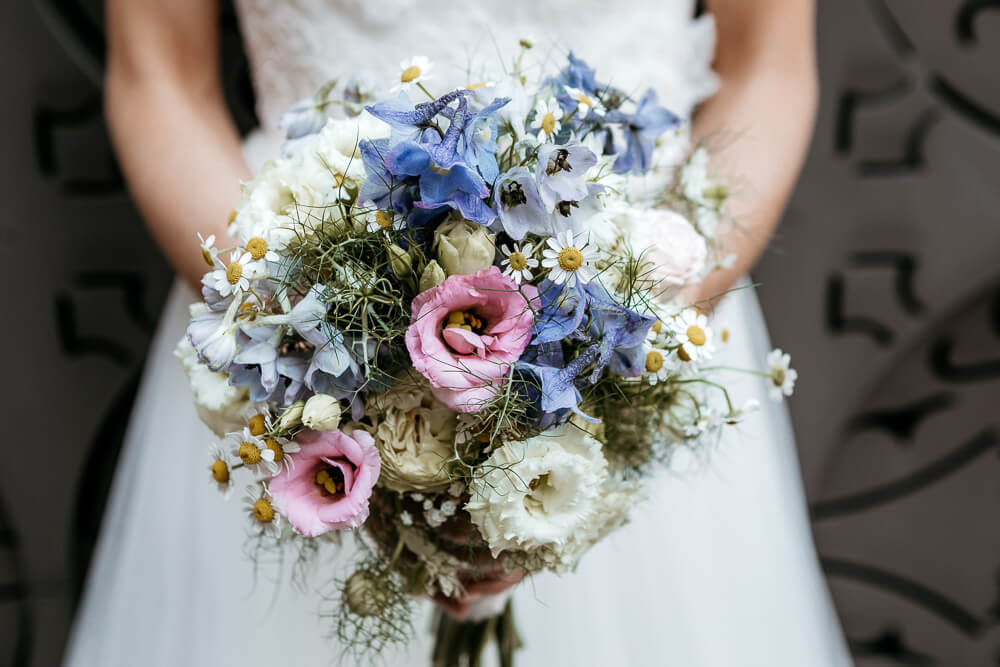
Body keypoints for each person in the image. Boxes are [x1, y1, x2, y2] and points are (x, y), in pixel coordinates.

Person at [64, 1, 852, 665]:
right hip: (293, 340)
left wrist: (626, 325)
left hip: (643, 328)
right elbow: (159, 77)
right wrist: (329, 344)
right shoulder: (301, 328)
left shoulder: (638, 320)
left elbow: (767, 69)